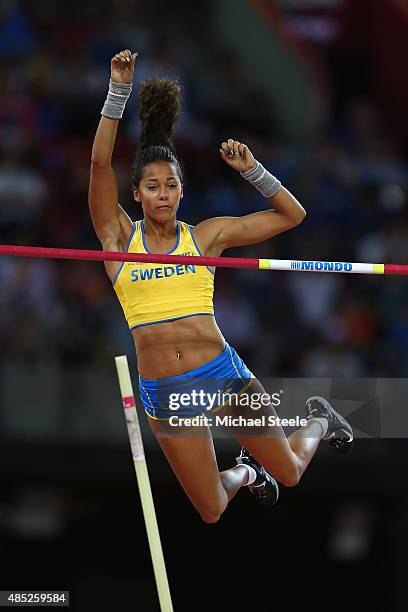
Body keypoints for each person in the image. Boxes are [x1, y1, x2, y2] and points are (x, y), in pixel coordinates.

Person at [88, 49, 353, 523]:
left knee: (291, 472)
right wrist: (118, 92)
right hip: (165, 393)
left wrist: (253, 170)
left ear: (182, 191)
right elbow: (99, 163)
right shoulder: (116, 238)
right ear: (137, 193)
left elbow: (292, 215)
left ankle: (319, 418)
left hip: (222, 377)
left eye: (171, 185)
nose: (163, 194)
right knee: (211, 508)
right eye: (152, 186)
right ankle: (247, 474)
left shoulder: (206, 236)